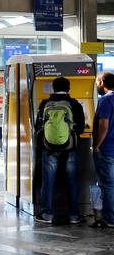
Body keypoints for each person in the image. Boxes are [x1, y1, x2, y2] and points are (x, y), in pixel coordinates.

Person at [34, 75, 86, 224]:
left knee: (48, 181)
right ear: (69, 88)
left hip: (49, 148)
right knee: (72, 180)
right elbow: (81, 127)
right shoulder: (75, 104)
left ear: (54, 89)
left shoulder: (45, 103)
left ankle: (47, 214)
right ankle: (74, 215)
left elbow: (39, 126)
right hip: (70, 148)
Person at [93, 71, 114, 228]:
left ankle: (109, 218)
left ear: (102, 83)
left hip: (107, 149)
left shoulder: (106, 100)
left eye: (96, 82)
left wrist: (97, 146)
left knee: (107, 185)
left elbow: (104, 125)